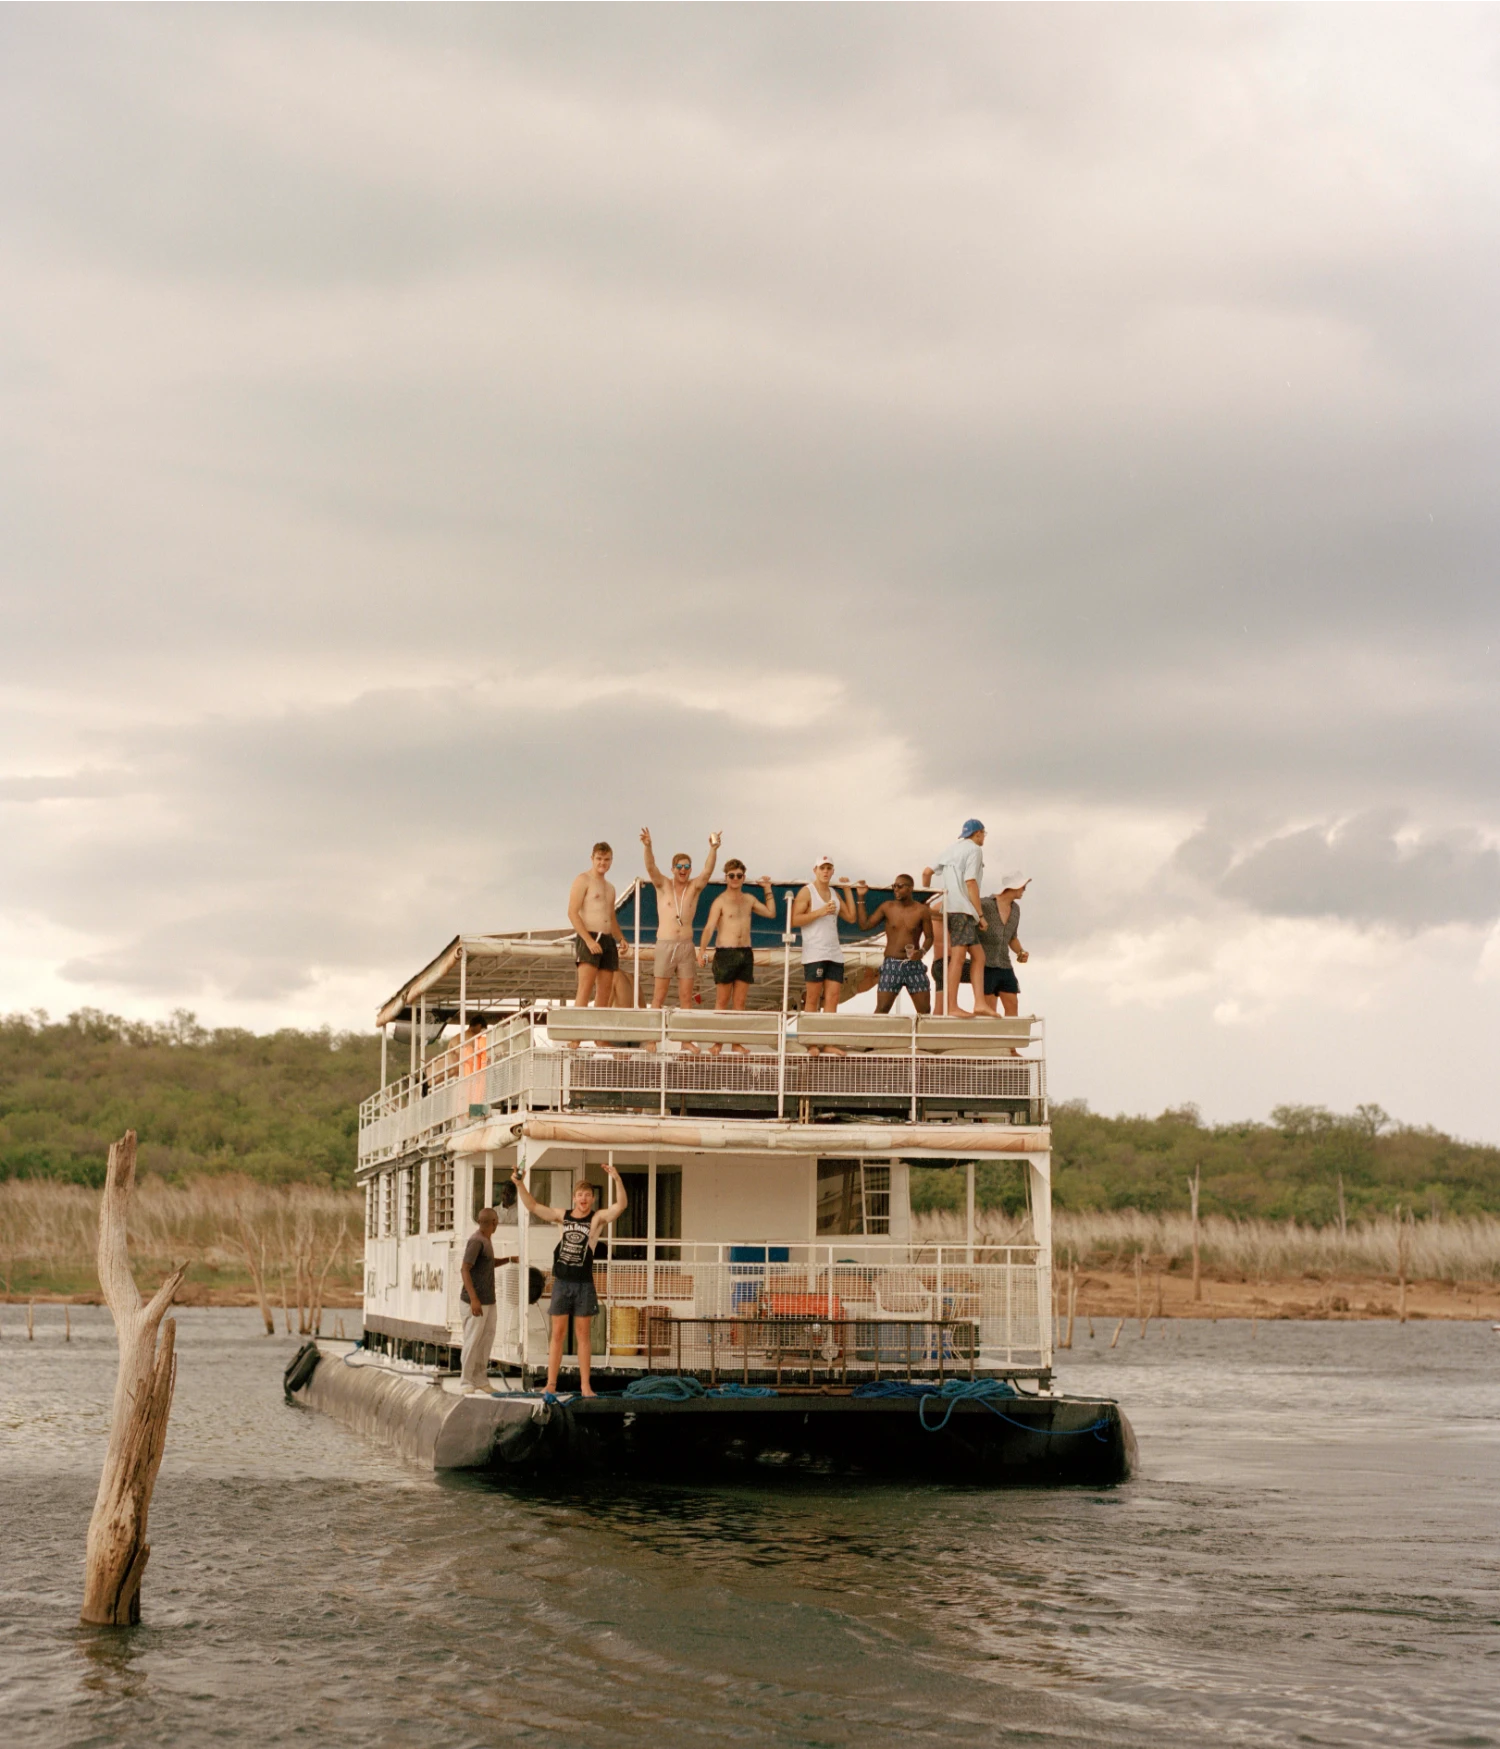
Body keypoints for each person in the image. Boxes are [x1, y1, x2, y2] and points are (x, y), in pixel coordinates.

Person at [512, 1163, 628, 1397]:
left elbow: (621, 1206)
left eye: (587, 1195)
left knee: (583, 1336)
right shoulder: (562, 1217)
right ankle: (551, 1384)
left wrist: (616, 1179)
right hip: (562, 1283)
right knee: (557, 1334)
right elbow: (533, 1206)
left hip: (584, 1284)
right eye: (580, 1195)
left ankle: (586, 1386)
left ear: (593, 1198)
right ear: (574, 1198)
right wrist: (519, 1184)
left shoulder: (597, 1219)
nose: (583, 1199)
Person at [641, 828, 721, 1028]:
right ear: (672, 869)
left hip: (686, 946)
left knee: (686, 997)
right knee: (659, 996)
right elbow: (651, 867)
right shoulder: (663, 885)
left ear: (690, 869)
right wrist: (648, 846)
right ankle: (651, 1037)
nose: (683, 869)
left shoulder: (693, 888)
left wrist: (713, 848)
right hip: (665, 944)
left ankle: (685, 1040)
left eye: (686, 866)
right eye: (679, 866)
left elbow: (708, 871)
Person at [697, 861, 778, 1050]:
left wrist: (767, 889)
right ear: (726, 877)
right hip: (725, 952)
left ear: (743, 877)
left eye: (739, 875)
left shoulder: (749, 899)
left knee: (740, 1003)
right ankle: (717, 1043)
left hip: (745, 952)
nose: (735, 879)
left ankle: (736, 1043)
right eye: (731, 875)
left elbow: (771, 913)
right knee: (722, 1002)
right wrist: (701, 951)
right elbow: (709, 927)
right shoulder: (720, 901)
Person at [924, 820, 988, 1016]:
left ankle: (979, 1003)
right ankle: (952, 1006)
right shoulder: (974, 850)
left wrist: (926, 898)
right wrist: (981, 915)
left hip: (950, 907)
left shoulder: (952, 849)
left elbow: (927, 872)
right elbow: (971, 883)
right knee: (959, 958)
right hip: (963, 909)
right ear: (978, 834)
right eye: (984, 833)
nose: (984, 837)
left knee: (979, 956)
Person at [792, 858, 857, 1049]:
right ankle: (810, 1042)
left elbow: (851, 918)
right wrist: (820, 911)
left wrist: (847, 890)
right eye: (822, 868)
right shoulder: (807, 891)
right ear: (815, 870)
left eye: (829, 868)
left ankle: (828, 1042)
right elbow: (795, 919)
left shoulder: (834, 893)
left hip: (834, 952)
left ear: (832, 871)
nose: (825, 872)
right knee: (812, 998)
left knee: (833, 997)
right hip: (815, 952)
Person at [854, 875, 936, 1015]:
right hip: (891, 963)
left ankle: (923, 1036)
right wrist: (861, 898)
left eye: (900, 886)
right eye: (894, 886)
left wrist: (921, 952)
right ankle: (876, 1037)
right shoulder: (888, 907)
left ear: (910, 888)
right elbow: (864, 925)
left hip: (914, 964)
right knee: (882, 1008)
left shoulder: (921, 910)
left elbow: (929, 937)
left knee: (925, 1010)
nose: (896, 889)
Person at [568, 842, 629, 1010]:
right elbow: (572, 912)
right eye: (599, 859)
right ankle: (575, 1037)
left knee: (605, 992)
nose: (603, 863)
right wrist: (588, 940)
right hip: (589, 936)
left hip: (607, 940)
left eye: (606, 859)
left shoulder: (610, 888)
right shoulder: (583, 880)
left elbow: (610, 917)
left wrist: (621, 938)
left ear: (611, 861)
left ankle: (600, 1036)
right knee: (585, 989)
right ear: (592, 859)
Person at [458, 1207, 500, 1395]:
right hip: (475, 1301)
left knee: (486, 1338)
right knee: (472, 1340)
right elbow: (465, 1269)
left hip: (489, 1300)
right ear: (493, 1223)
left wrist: (508, 1259)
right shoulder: (476, 1241)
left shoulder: (486, 1241)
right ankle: (466, 1381)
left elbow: (487, 1263)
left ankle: (480, 1379)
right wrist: (474, 1299)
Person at [979, 873, 1031, 1017]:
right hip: (985, 965)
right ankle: (988, 1038)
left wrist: (1020, 951)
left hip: (1005, 965)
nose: (1024, 889)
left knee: (1012, 1006)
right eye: (1023, 886)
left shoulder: (1016, 910)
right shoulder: (984, 904)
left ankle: (1011, 1037)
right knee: (989, 1012)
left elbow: (1012, 937)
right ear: (1013, 887)